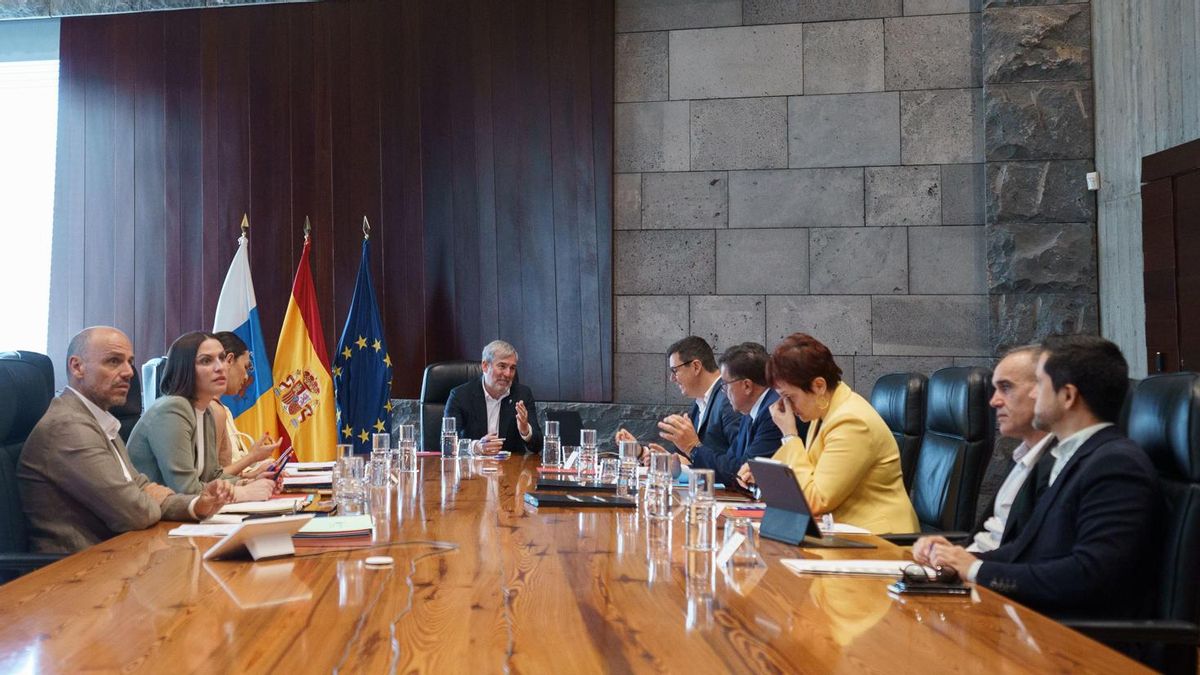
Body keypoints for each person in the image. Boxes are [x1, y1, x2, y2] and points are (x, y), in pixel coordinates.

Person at [914, 335, 1160, 620]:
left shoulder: (1116, 464)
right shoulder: (1069, 456)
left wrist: (975, 569)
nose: (1033, 395)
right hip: (1037, 619)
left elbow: (1089, 575)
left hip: (1078, 641)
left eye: (1040, 384)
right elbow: (1025, 550)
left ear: (1067, 396)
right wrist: (957, 559)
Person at [18, 327, 233, 554]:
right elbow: (134, 512)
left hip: (119, 552)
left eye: (130, 362)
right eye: (113, 361)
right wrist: (147, 497)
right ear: (77, 366)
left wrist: (196, 505)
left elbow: (139, 485)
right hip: (78, 570)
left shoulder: (99, 419)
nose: (129, 371)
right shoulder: (68, 427)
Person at [737, 333, 918, 534]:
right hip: (844, 532)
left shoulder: (851, 421)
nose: (787, 406)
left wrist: (790, 435)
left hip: (880, 539)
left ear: (819, 386)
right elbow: (809, 476)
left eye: (789, 397)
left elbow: (815, 499)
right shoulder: (822, 412)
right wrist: (767, 477)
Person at [128, 331, 274, 501]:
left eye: (222, 357)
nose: (220, 367)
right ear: (184, 368)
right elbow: (185, 489)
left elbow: (212, 477)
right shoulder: (172, 409)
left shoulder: (206, 411)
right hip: (152, 519)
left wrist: (249, 483)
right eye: (206, 361)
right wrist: (241, 493)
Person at [650, 343, 780, 486]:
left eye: (725, 384)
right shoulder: (750, 411)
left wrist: (693, 448)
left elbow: (742, 473)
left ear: (747, 386)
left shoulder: (772, 413)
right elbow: (731, 465)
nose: (723, 391)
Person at [967, 345, 1054, 552]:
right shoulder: (1022, 455)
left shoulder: (1061, 463)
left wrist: (966, 564)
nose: (994, 401)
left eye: (1006, 388)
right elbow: (990, 536)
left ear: (1045, 390)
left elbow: (1029, 557)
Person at [617, 336, 741, 461]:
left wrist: (693, 448)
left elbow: (736, 466)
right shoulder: (700, 402)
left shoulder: (729, 400)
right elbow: (687, 459)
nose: (672, 378)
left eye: (675, 370)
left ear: (696, 367)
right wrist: (641, 452)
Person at [443, 340, 542, 455]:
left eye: (512, 368)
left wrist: (525, 430)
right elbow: (447, 445)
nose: (508, 374)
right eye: (502, 366)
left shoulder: (522, 395)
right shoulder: (460, 396)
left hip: (511, 468)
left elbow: (538, 446)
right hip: (472, 468)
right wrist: (476, 447)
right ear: (485, 366)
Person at [210, 331, 281, 478]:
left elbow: (228, 476)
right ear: (229, 361)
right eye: (245, 367)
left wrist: (256, 472)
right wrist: (252, 458)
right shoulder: (208, 411)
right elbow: (212, 478)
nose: (247, 377)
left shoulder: (225, 410)